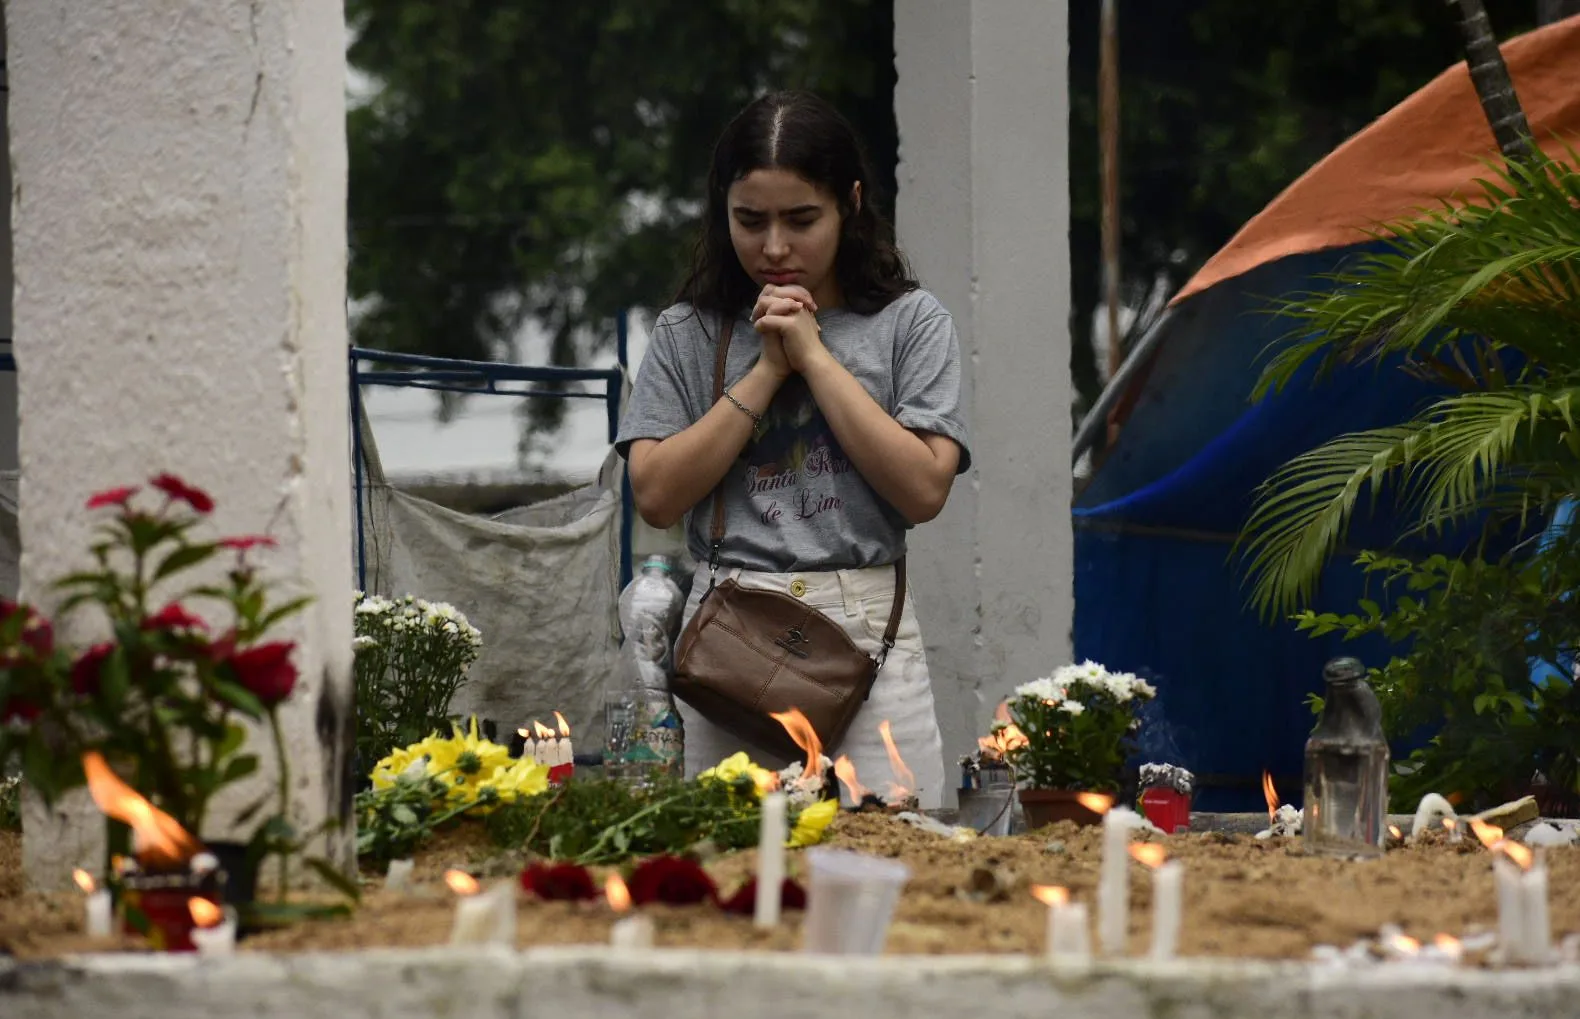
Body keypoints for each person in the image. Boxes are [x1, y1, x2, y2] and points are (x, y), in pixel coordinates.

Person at [615, 91, 970, 808]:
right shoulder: (690, 330)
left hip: (869, 634)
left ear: (852, 204)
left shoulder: (910, 323)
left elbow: (925, 489)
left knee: (900, 854)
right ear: (724, 213)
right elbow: (654, 491)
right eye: (750, 221)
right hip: (731, 637)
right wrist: (767, 369)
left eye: (801, 220)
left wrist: (812, 357)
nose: (774, 248)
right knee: (734, 867)